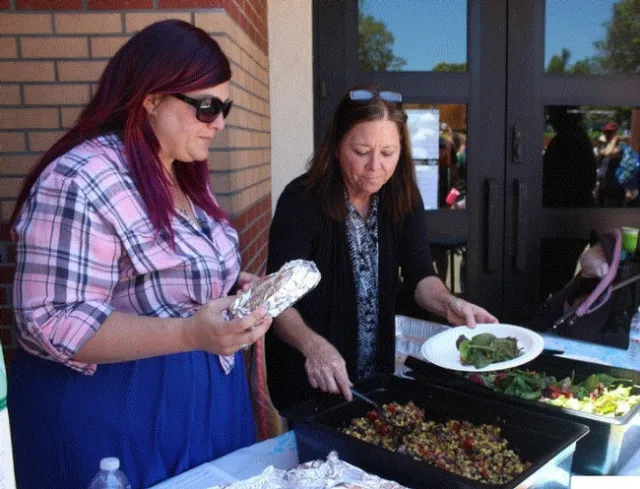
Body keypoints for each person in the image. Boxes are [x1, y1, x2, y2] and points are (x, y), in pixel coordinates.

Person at [7, 20, 272, 489]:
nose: (220, 123)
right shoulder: (81, 178)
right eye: (206, 107)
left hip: (203, 409)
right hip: (121, 420)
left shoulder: (182, 172)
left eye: (224, 107)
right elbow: (48, 320)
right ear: (150, 98)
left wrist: (233, 290)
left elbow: (165, 281)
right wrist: (191, 331)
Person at [265, 86, 498, 410]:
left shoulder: (401, 196)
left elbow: (420, 276)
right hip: (310, 378)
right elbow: (278, 302)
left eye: (388, 152)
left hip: (375, 377)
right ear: (335, 146)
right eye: (361, 151)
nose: (375, 165)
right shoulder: (302, 200)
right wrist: (315, 347)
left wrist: (448, 304)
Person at [539, 106, 596, 302]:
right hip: (574, 222)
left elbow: (548, 180)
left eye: (553, 115)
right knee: (560, 277)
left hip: (562, 223)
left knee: (553, 278)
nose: (550, 119)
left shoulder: (565, 141)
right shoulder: (581, 140)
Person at [595, 121, 626, 207]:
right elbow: (598, 156)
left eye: (609, 132)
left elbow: (609, 153)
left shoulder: (621, 146)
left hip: (615, 188)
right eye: (605, 132)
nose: (607, 134)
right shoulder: (604, 146)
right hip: (602, 186)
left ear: (615, 133)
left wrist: (615, 140)